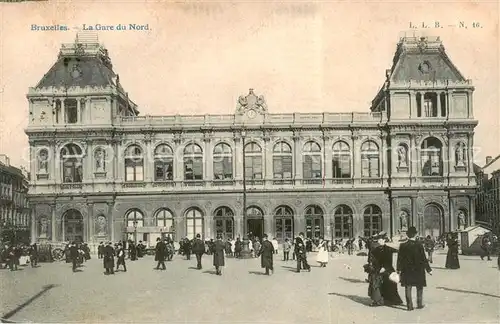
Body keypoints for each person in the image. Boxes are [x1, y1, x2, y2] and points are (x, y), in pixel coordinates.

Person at [397, 226, 432, 311]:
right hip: (418, 270)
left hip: (407, 270)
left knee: (408, 287)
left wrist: (398, 269)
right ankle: (419, 304)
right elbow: (423, 258)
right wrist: (428, 269)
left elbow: (400, 259)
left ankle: (409, 306)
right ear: (415, 234)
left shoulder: (403, 245)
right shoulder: (419, 245)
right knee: (419, 287)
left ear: (408, 235)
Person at [367, 236, 403, 307]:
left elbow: (396, 252)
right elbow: (373, 260)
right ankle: (378, 301)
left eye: (381, 240)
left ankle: (392, 300)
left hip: (388, 269)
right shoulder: (375, 250)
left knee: (390, 285)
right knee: (377, 285)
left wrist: (384, 267)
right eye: (378, 240)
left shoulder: (388, 249)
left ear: (384, 240)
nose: (379, 241)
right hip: (378, 269)